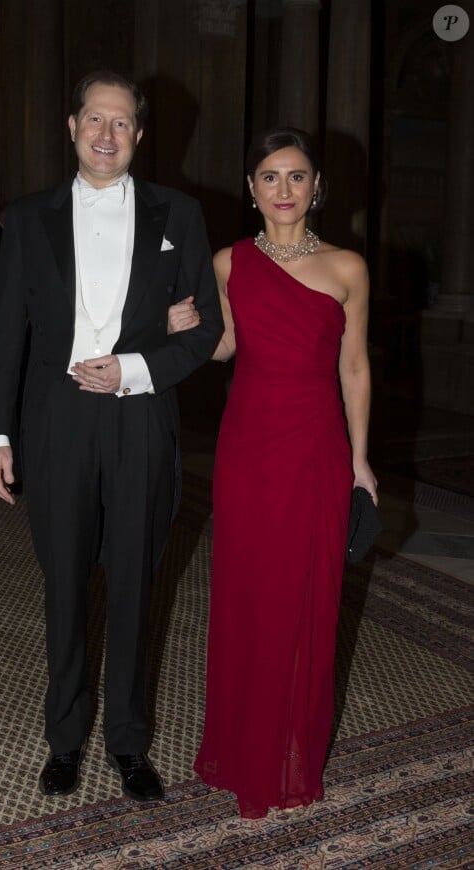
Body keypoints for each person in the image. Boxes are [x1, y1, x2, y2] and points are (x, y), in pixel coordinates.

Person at [0, 69, 223, 803]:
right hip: (54, 424)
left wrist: (136, 369)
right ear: (73, 126)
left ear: (139, 135)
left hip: (139, 418)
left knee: (135, 585)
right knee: (65, 587)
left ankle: (128, 743)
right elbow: (2, 340)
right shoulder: (26, 218)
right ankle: (64, 738)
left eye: (122, 123)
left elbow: (204, 327)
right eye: (95, 120)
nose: (107, 135)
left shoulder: (179, 213)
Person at [170, 127, 377, 819]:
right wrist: (186, 327)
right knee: (249, 595)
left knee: (304, 596)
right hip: (249, 448)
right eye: (269, 176)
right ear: (250, 187)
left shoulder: (348, 267)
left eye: (296, 177)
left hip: (314, 448)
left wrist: (359, 461)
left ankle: (290, 751)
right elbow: (225, 346)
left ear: (317, 187)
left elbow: (354, 366)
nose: (283, 190)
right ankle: (244, 748)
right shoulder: (229, 262)